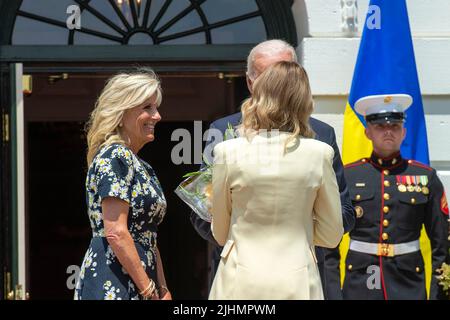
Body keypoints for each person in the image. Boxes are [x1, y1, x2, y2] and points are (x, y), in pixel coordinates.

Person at [190, 39, 355, 298]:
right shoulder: (222, 133)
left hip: (301, 270)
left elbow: (345, 211)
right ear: (250, 82)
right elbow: (201, 211)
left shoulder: (322, 135)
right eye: (271, 75)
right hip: (245, 269)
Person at [327, 93, 449, 300]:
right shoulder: (348, 175)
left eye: (394, 126)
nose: (388, 132)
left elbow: (443, 246)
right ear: (367, 132)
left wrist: (440, 295)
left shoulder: (425, 178)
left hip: (408, 283)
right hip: (360, 282)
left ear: (404, 132)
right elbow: (329, 242)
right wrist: (332, 294)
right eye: (380, 127)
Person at [74, 69, 171, 300]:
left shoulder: (143, 166)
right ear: (122, 112)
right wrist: (148, 289)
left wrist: (162, 288)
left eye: (155, 107)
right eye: (147, 107)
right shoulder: (115, 156)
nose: (157, 116)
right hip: (113, 279)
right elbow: (116, 232)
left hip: (141, 279)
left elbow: (149, 236)